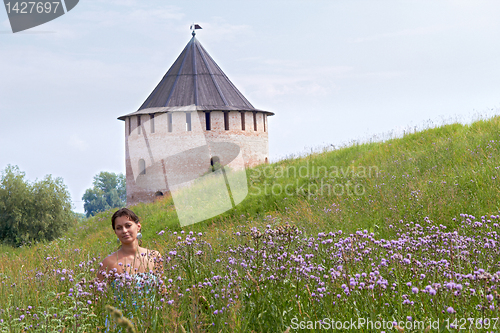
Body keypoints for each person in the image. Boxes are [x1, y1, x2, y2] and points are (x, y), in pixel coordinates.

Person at [97, 208, 162, 282]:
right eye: (119, 228)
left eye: (128, 225)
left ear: (138, 226)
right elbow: (97, 293)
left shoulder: (154, 257)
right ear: (115, 232)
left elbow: (163, 290)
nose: (124, 231)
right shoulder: (108, 263)